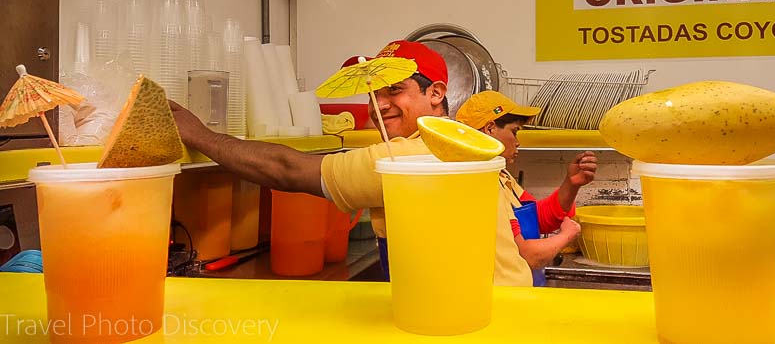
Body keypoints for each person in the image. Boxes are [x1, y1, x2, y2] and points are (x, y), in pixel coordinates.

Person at [171, 40, 535, 286]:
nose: (382, 104)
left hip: (481, 315)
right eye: (374, 93)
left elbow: (287, 170)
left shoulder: (413, 158)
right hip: (496, 301)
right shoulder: (464, 147)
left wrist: (201, 135)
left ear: (436, 92)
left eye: (395, 89)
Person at [456, 91, 597, 272]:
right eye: (514, 132)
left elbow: (538, 218)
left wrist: (572, 183)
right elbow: (526, 256)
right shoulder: (478, 182)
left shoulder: (502, 177)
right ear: (490, 128)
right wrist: (567, 235)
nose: (517, 142)